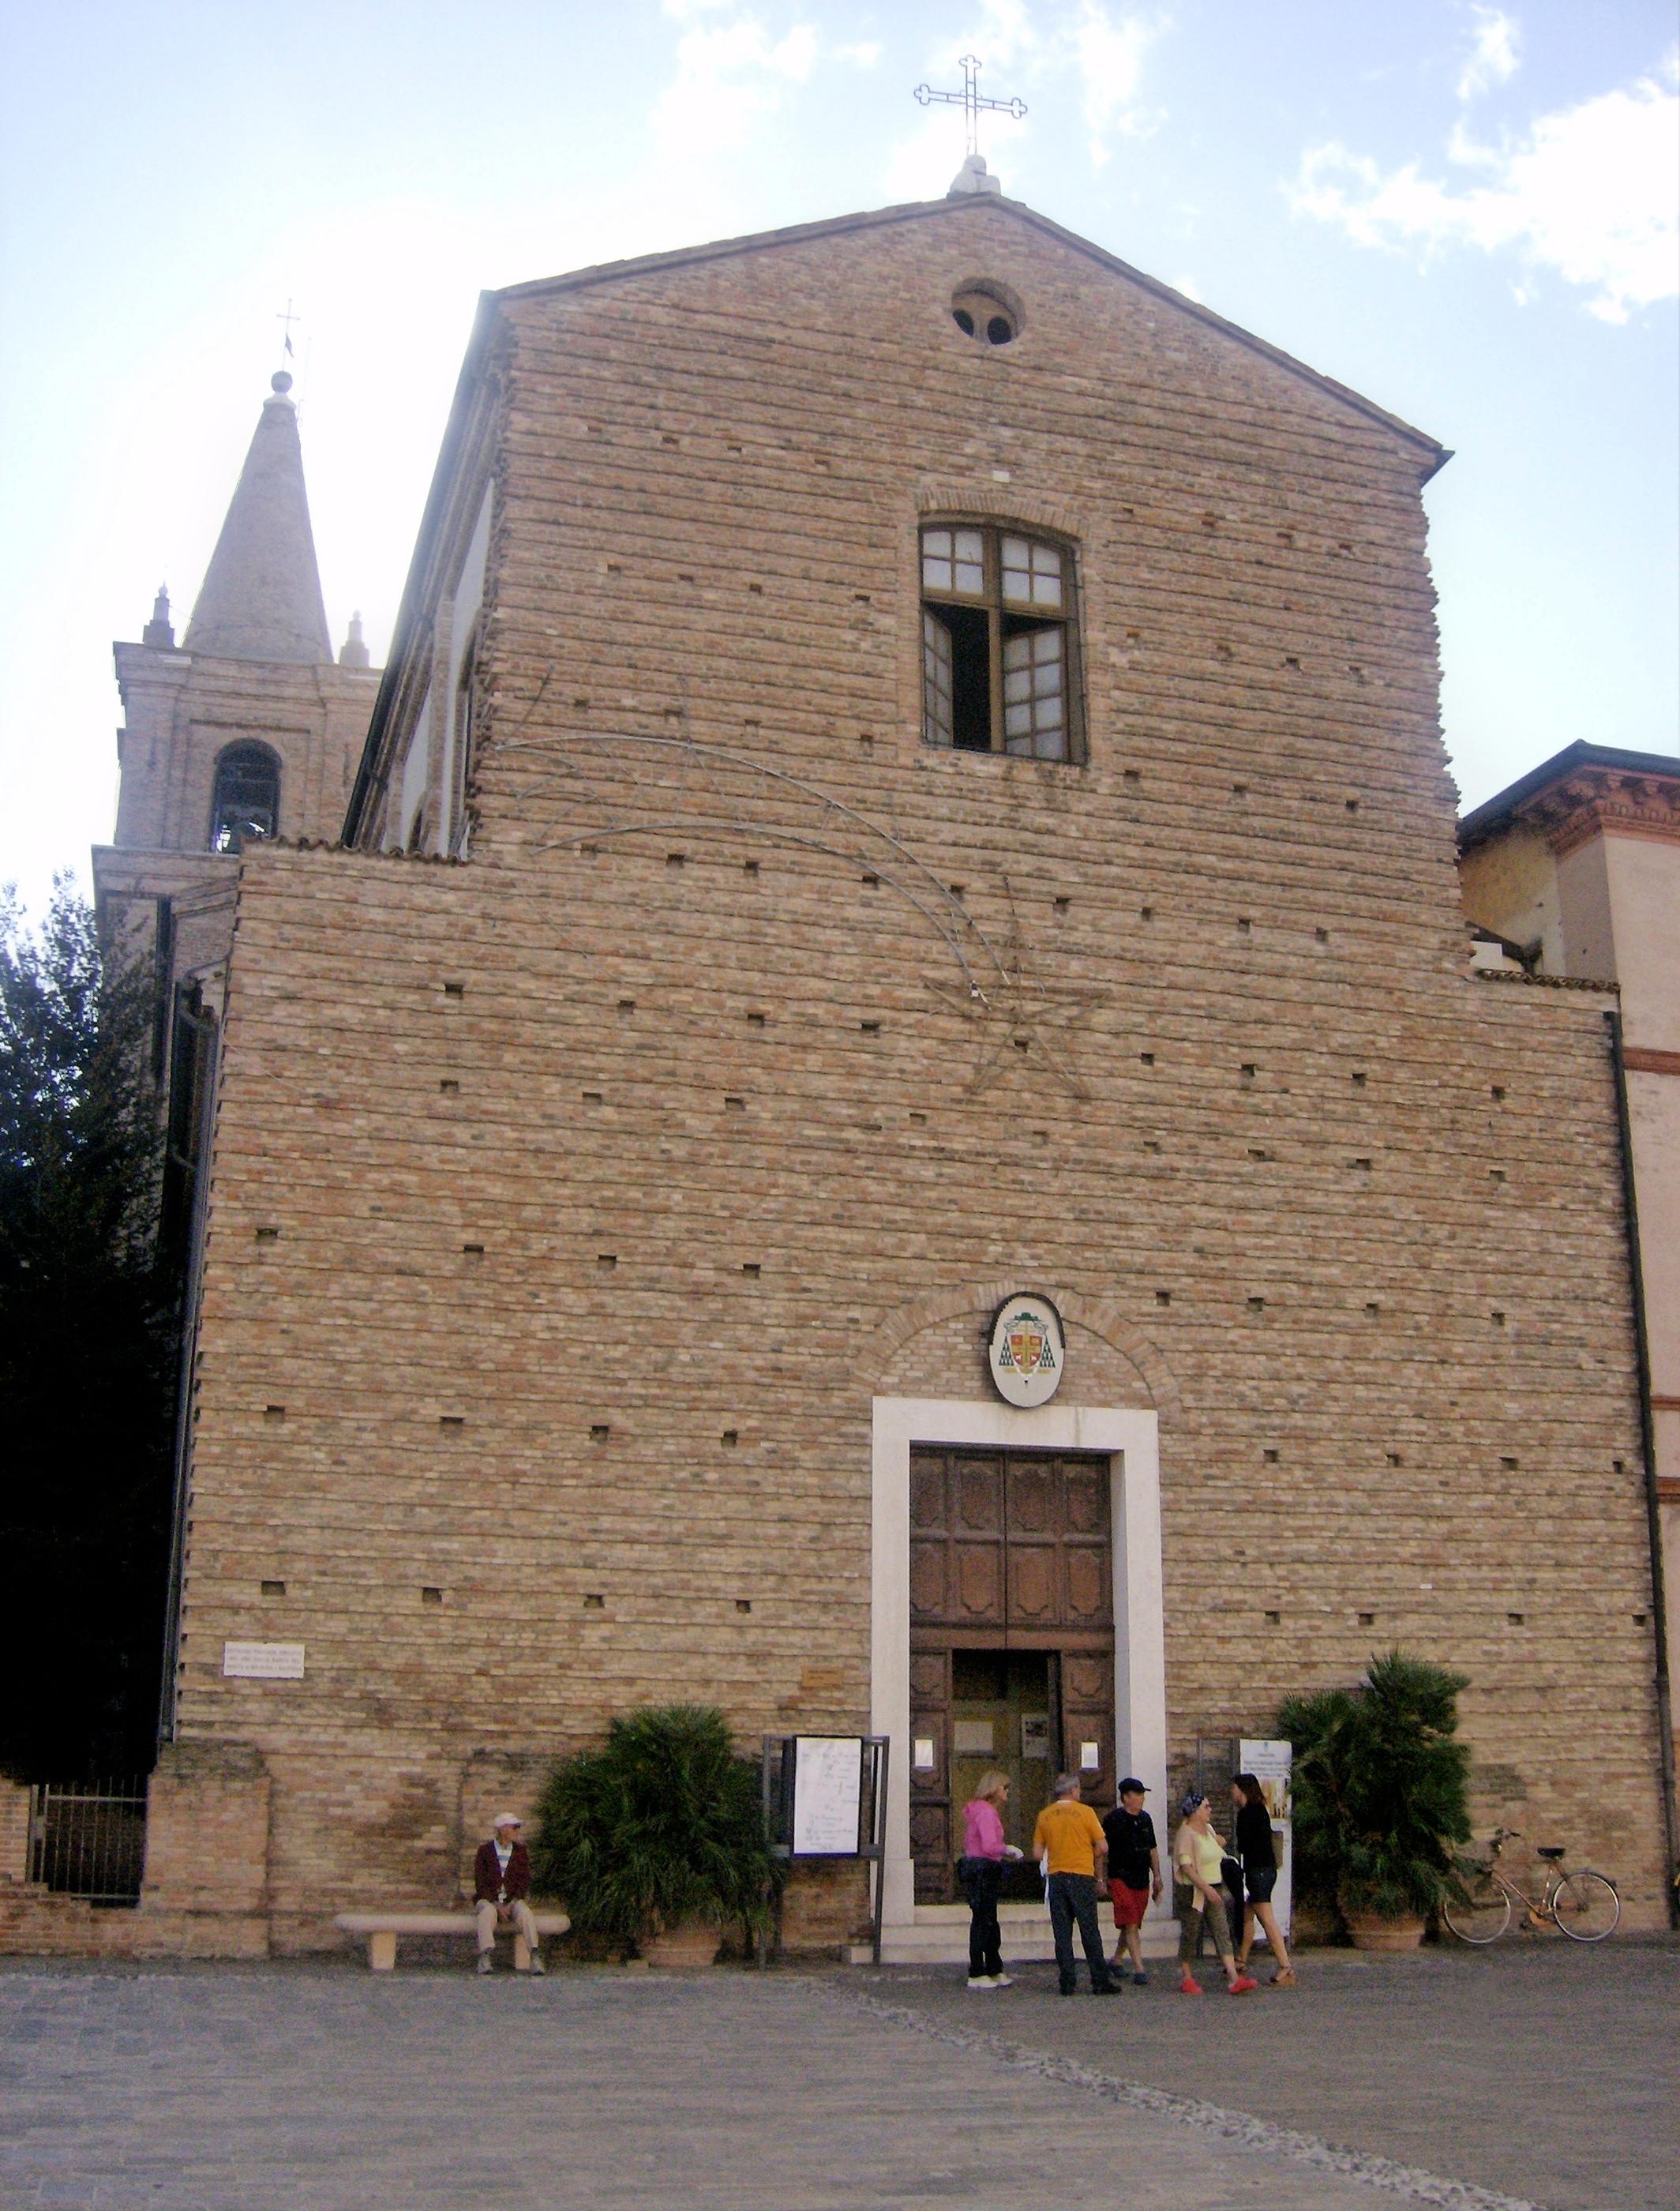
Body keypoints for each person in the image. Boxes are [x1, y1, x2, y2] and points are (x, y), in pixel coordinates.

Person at [1032, 1773, 1119, 1995]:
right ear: (1074, 1790)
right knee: (1089, 1929)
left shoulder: (1045, 1815)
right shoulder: (1085, 1812)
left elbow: (1037, 1853)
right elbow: (1103, 1846)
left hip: (1057, 1876)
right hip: (1081, 1874)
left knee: (1062, 1932)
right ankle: (1099, 1980)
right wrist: (1086, 1853)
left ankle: (1067, 1981)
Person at [1173, 1791, 1256, 1995]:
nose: (1210, 1810)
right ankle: (1187, 1976)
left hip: (1215, 1886)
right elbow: (1186, 1866)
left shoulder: (1207, 1830)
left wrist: (1218, 1842)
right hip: (1194, 1890)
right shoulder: (1186, 1833)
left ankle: (1234, 1978)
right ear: (1194, 1811)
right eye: (1206, 1807)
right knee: (1191, 1933)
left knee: (1222, 1930)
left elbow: (1217, 1847)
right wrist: (1205, 1888)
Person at [1232, 1773, 1296, 1987]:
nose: (1231, 1791)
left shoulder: (1247, 1814)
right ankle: (1240, 1959)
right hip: (1265, 1869)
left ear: (1242, 1790)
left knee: (1267, 1919)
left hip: (1257, 1871)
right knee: (1248, 1914)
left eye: (1234, 1787)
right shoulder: (1260, 1811)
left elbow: (1243, 1845)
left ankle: (1285, 1965)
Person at [959, 1770, 1023, 1988]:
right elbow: (989, 1845)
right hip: (983, 1868)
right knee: (984, 1921)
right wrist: (1008, 1850)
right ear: (995, 1789)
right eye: (1005, 1788)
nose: (1007, 1792)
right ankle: (978, 1971)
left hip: (978, 1867)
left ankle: (993, 1968)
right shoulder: (986, 1812)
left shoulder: (978, 1810)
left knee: (986, 1920)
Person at [1101, 1776, 1163, 1984]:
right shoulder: (1113, 1820)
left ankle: (1117, 1960)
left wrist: (1157, 1876)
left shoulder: (1145, 1819)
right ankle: (1139, 1968)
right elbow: (1101, 1850)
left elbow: (1152, 1849)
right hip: (1120, 1876)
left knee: (1133, 1922)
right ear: (1127, 1797)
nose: (1142, 1798)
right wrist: (1100, 1877)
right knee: (1130, 1921)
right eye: (1138, 1794)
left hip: (1141, 1877)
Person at [474, 1811, 545, 1975]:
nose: (516, 1830)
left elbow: (524, 1880)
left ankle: (534, 1954)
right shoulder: (485, 1851)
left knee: (525, 1913)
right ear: (503, 1829)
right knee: (487, 1912)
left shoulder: (520, 1851)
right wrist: (496, 1904)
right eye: (514, 1827)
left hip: (512, 1900)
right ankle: (485, 1956)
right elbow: (481, 1881)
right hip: (489, 1900)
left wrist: (511, 1903)